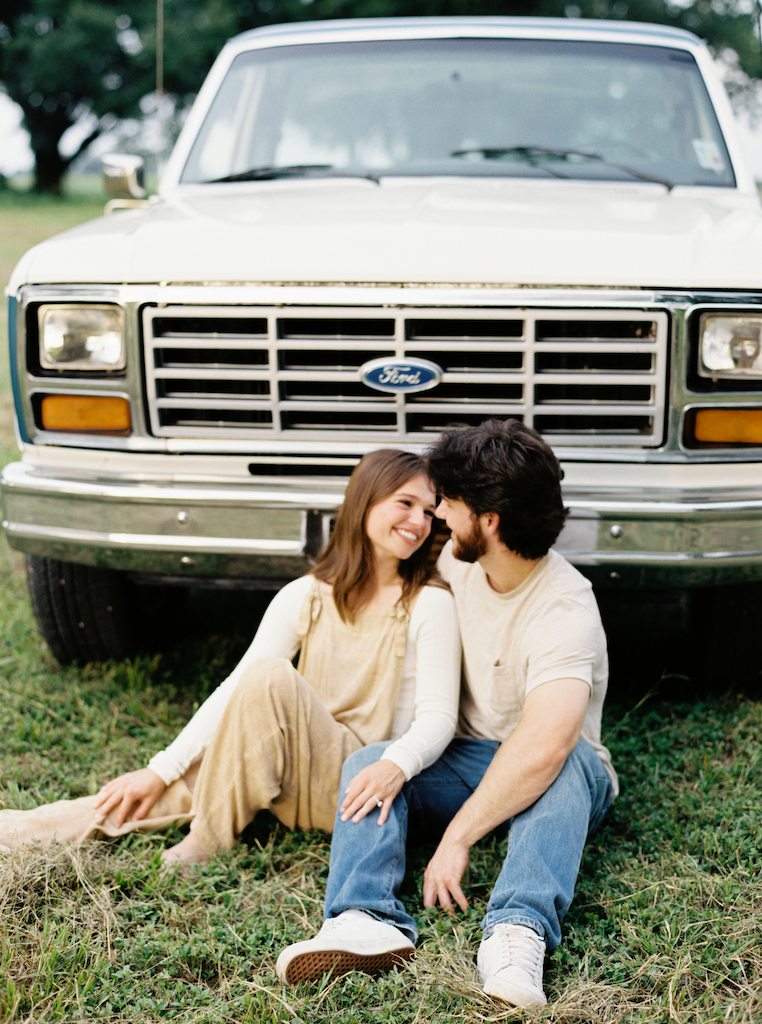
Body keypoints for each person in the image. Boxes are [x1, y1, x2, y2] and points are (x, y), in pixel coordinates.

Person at [276, 419, 618, 1009]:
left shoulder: (565, 610)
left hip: (561, 768)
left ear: (490, 521)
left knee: (562, 769)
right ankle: (364, 918)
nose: (437, 517)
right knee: (372, 761)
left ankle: (517, 932)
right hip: (469, 762)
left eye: (450, 506)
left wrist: (457, 839)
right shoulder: (461, 562)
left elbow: (545, 745)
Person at [0, 450, 460, 866]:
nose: (418, 522)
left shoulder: (428, 602)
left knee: (270, 678)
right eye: (405, 503)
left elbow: (438, 716)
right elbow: (235, 688)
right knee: (182, 776)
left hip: (357, 788)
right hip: (293, 770)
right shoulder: (306, 595)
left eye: (427, 511)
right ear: (365, 502)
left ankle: (209, 838)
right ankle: (31, 828)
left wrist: (393, 766)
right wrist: (159, 770)